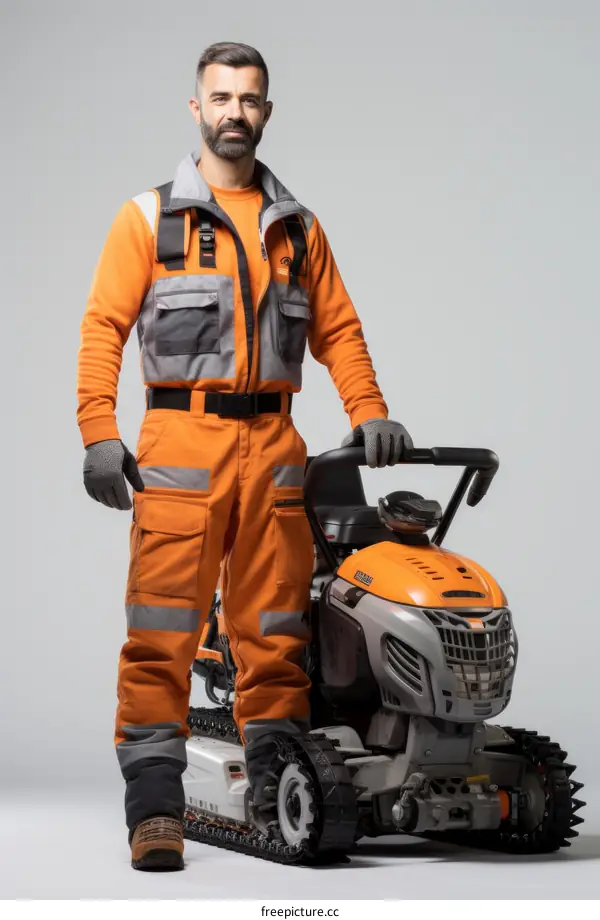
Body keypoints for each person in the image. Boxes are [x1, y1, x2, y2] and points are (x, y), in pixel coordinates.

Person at [76, 41, 413, 870]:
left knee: (274, 631)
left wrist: (369, 409)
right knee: (162, 630)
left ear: (266, 111)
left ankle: (277, 785)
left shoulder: (297, 227)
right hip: (178, 445)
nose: (235, 112)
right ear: (197, 109)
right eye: (220, 97)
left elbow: (338, 329)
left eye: (250, 99)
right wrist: (96, 431)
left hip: (274, 446)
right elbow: (101, 329)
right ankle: (154, 807)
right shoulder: (147, 219)